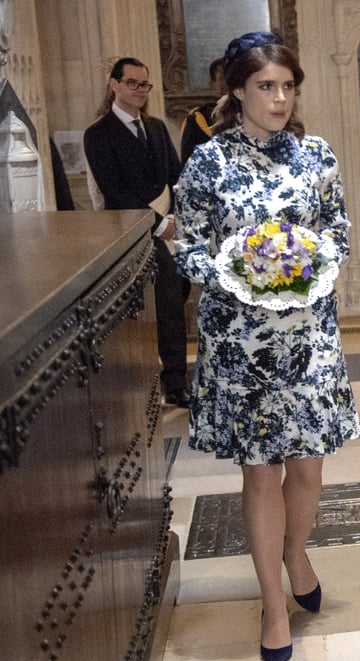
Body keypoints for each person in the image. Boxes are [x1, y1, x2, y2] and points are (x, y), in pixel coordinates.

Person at [172, 31, 360, 661]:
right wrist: (241, 272)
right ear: (237, 90)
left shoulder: (317, 155)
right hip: (242, 340)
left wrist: (311, 261)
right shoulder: (209, 162)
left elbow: (337, 231)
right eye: (266, 87)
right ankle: (273, 603)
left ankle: (297, 552)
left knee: (307, 467)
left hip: (308, 335)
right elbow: (188, 247)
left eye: (288, 86)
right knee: (262, 471)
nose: (280, 98)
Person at [84, 57, 192, 408]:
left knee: (180, 291)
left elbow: (176, 177)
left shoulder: (158, 127)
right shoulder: (98, 134)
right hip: (131, 230)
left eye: (144, 85)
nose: (139, 90)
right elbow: (114, 190)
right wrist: (159, 224)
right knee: (166, 293)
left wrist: (176, 217)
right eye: (132, 83)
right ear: (114, 84)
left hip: (168, 223)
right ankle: (173, 381)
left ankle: (173, 375)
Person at [179, 57, 226, 165]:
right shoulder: (199, 118)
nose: (228, 83)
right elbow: (189, 163)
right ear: (212, 84)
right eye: (222, 78)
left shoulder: (254, 115)